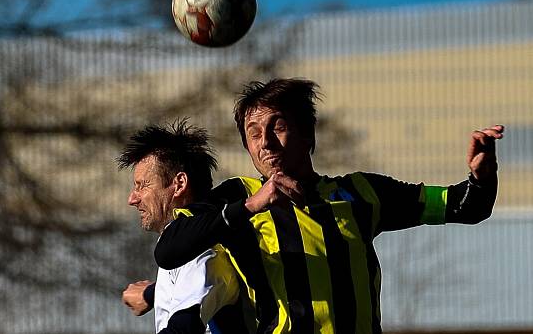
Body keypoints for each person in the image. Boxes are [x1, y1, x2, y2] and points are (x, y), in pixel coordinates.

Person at [153, 78, 504, 333]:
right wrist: (250, 206)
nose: (267, 143)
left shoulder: (364, 192)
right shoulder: (236, 197)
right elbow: (169, 250)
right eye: (254, 133)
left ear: (307, 134)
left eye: (279, 126)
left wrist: (482, 176)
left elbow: (465, 207)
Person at [118, 121, 249, 334]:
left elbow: (185, 326)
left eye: (142, 185)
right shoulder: (182, 244)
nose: (132, 199)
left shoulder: (199, 247)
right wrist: (151, 294)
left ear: (179, 184)